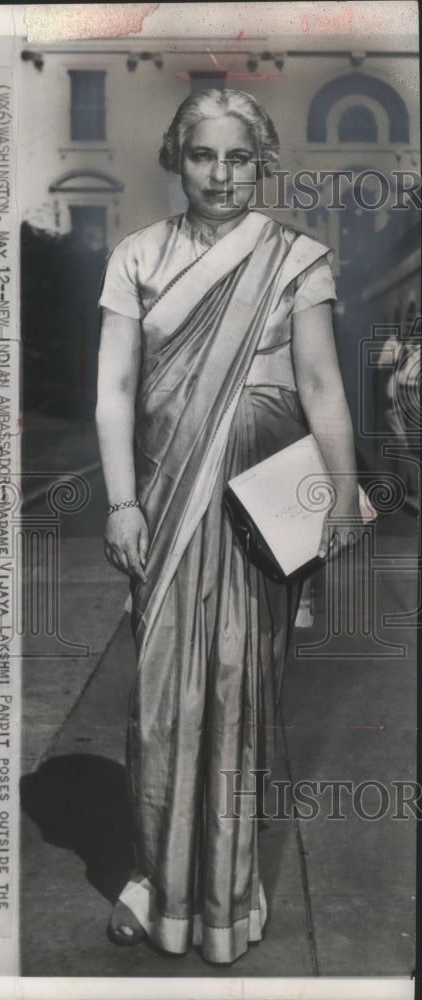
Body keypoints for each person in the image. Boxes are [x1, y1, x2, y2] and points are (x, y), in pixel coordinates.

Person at [95, 88, 361, 965]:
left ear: (261, 161)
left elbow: (322, 386)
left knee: (238, 697)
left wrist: (338, 493)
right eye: (204, 156)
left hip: (256, 510)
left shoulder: (293, 259)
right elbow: (118, 394)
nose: (221, 174)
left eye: (238, 157)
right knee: (161, 712)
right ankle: (154, 886)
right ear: (178, 158)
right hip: (166, 510)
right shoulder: (137, 256)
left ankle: (224, 897)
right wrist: (123, 500)